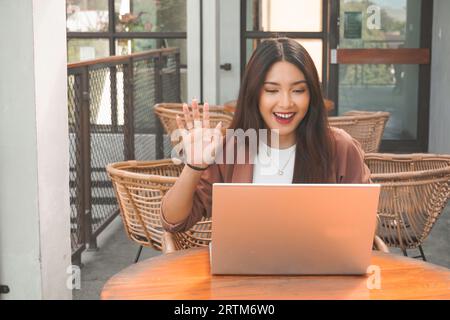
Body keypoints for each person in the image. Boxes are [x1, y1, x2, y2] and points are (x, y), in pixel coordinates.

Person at [161, 37, 370, 233]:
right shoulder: (231, 149)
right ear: (254, 94)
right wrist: (193, 167)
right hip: (242, 269)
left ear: (311, 94)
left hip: (321, 269)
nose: (286, 103)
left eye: (298, 90)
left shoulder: (340, 147)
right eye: (272, 90)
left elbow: (366, 223)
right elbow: (174, 221)